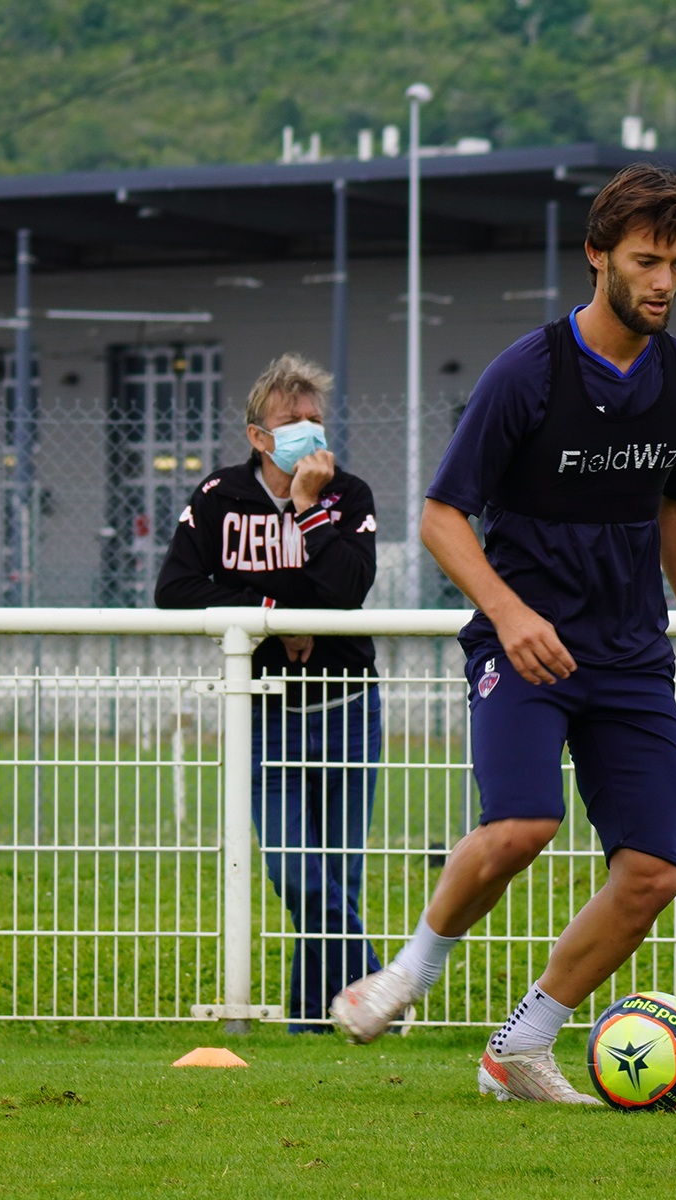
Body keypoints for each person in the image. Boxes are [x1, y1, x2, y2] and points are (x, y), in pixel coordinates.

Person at [330, 165, 676, 1103]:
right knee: (522, 824)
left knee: (652, 874)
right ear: (597, 256)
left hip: (632, 655)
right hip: (525, 651)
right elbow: (441, 515)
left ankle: (520, 1045)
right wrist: (510, 614)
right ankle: (409, 974)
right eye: (647, 260)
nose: (665, 282)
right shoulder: (528, 371)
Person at [156, 354, 383, 1033]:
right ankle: (381, 992)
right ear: (259, 436)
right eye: (292, 423)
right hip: (267, 717)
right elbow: (176, 589)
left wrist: (310, 509)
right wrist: (269, 618)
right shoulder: (219, 498)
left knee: (338, 881)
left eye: (316, 421)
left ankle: (314, 1022)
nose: (308, 434)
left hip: (347, 709)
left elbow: (346, 590)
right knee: (299, 877)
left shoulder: (349, 494)